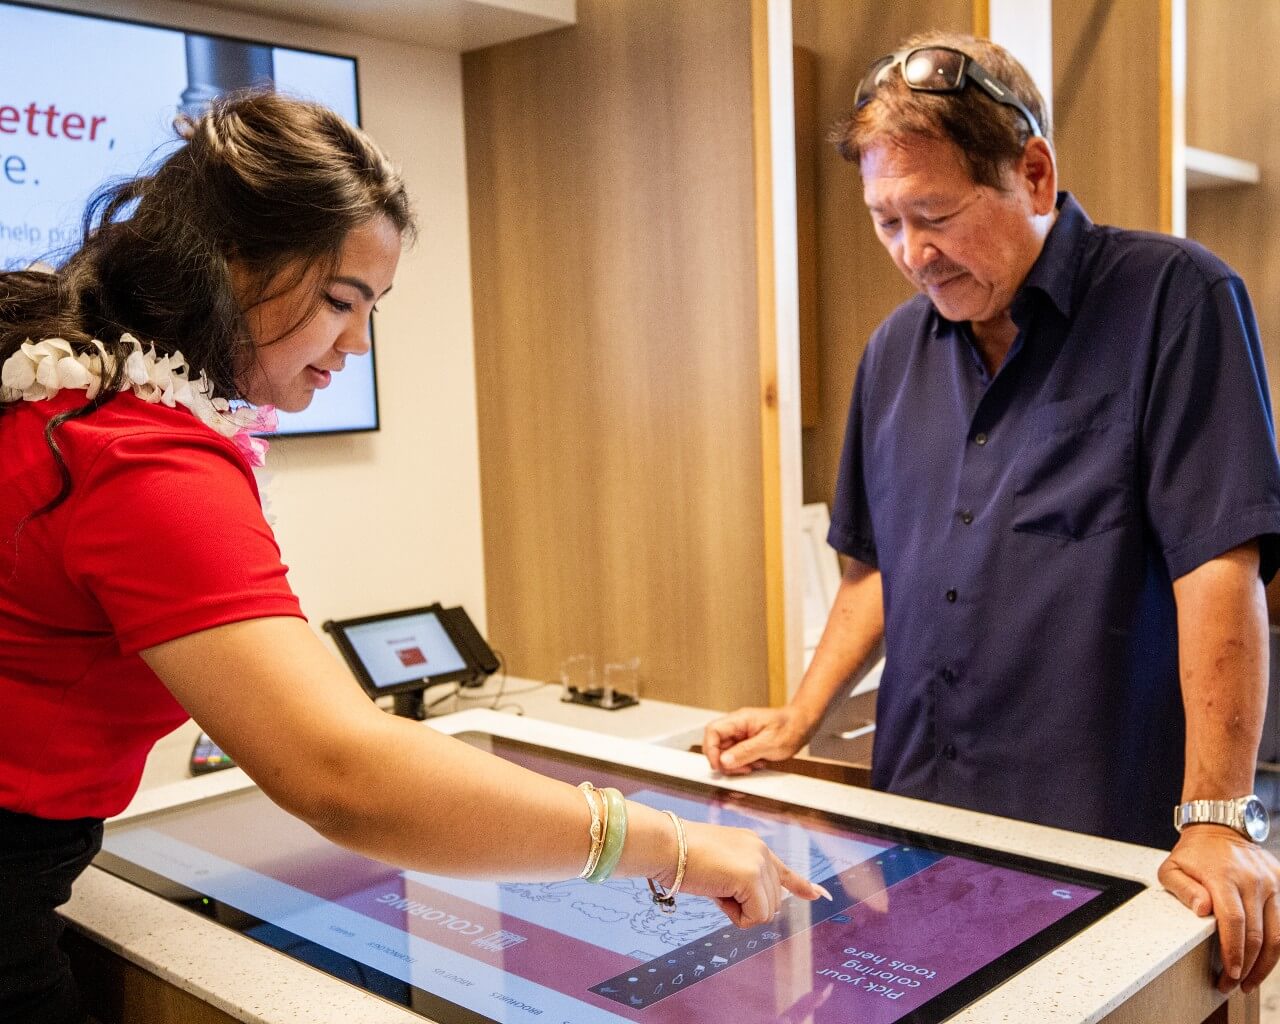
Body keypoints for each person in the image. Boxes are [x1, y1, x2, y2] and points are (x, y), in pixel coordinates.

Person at [0, 92, 823, 1024]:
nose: (356, 343)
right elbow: (343, 774)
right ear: (228, 266)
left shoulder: (69, 400)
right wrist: (673, 847)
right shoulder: (140, 454)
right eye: (340, 302)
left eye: (373, 309)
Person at [704, 31, 1280, 996]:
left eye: (934, 214)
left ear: (1036, 174)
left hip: (1103, 842)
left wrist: (1219, 819)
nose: (912, 254)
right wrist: (799, 718)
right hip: (920, 830)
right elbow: (873, 567)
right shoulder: (893, 353)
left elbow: (1219, 569)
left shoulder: (1177, 301)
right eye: (886, 222)